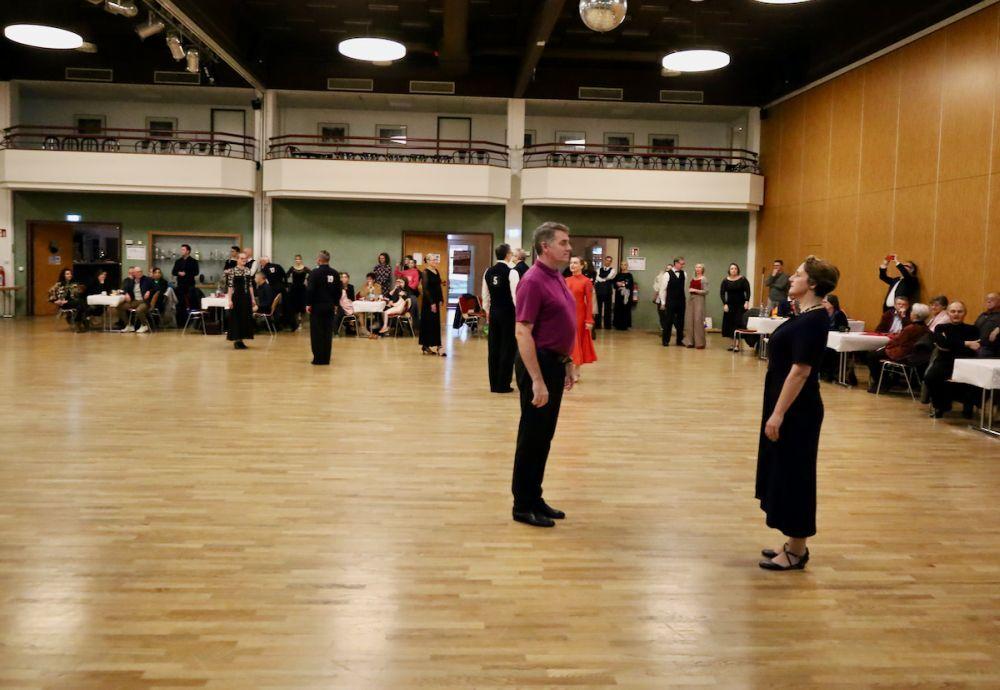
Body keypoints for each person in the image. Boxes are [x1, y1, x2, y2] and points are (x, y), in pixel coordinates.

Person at [756, 255, 840, 571]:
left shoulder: (815, 319)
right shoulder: (804, 314)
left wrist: (777, 414)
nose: (792, 277)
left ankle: (798, 550)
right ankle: (792, 542)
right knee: (785, 472)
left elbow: (801, 371)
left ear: (813, 284)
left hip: (798, 410)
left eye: (799, 274)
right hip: (787, 403)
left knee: (797, 476)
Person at [511, 221, 576, 528]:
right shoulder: (533, 280)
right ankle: (522, 504)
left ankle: (534, 496)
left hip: (553, 362)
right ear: (545, 247)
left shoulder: (556, 276)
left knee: (544, 437)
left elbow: (560, 324)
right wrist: (537, 379)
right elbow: (523, 330)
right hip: (537, 365)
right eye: (563, 242)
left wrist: (566, 361)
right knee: (532, 436)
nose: (569, 247)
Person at [924, 301, 981, 417]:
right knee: (930, 377)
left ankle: (968, 406)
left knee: (974, 379)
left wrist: (951, 344)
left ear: (965, 313)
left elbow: (951, 345)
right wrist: (966, 343)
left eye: (960, 311)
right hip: (945, 361)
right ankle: (941, 406)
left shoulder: (972, 329)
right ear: (948, 313)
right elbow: (942, 344)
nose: (956, 314)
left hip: (966, 362)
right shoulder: (941, 327)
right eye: (953, 311)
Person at [865, 302, 930, 393]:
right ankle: (887, 380)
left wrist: (887, 347)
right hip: (913, 354)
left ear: (915, 315)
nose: (910, 313)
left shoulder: (910, 328)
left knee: (871, 356)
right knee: (877, 354)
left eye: (911, 312)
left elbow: (897, 341)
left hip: (902, 354)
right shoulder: (926, 328)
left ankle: (882, 382)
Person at [483, 243, 520, 393]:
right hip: (508, 313)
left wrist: (488, 312)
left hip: (494, 312)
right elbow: (515, 297)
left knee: (494, 347)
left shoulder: (488, 271)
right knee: (508, 347)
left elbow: (485, 296)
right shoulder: (512, 272)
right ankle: (503, 384)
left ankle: (493, 384)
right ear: (508, 255)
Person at [305, 250, 342, 365]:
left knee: (317, 333)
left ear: (319, 260)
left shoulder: (314, 273)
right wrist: (335, 304)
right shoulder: (335, 273)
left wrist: (308, 304)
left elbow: (310, 290)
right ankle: (326, 358)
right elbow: (338, 291)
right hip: (330, 306)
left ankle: (318, 358)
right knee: (327, 332)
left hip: (317, 307)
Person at [565, 256, 597, 382]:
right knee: (568, 343)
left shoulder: (586, 281)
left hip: (580, 315)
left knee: (577, 341)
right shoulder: (566, 280)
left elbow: (589, 302)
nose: (572, 265)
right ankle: (569, 371)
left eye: (575, 263)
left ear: (582, 266)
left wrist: (589, 320)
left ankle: (576, 370)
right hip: (567, 315)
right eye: (571, 263)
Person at [224, 252, 256, 349]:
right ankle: (237, 340)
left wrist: (253, 298)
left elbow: (250, 285)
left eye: (245, 258)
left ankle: (241, 340)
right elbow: (230, 286)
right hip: (237, 297)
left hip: (246, 297)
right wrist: (229, 300)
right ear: (237, 259)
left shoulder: (247, 270)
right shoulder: (232, 271)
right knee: (237, 318)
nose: (244, 260)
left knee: (244, 318)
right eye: (242, 258)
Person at [819, 295, 853, 383]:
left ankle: (830, 374)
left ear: (832, 304)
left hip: (835, 341)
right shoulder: (822, 313)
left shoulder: (839, 314)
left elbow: (844, 327)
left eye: (825, 302)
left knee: (827, 351)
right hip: (825, 339)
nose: (823, 303)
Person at [419, 253, 446, 356]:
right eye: (433, 260)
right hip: (428, 302)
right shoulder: (425, 272)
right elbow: (425, 290)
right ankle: (428, 346)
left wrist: (441, 299)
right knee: (428, 323)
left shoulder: (436, 271)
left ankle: (436, 346)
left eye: (436, 259)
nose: (435, 261)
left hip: (435, 300)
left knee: (435, 324)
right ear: (428, 261)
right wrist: (432, 303)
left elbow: (438, 286)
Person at [115, 266, 155, 333]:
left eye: (139, 272)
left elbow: (156, 288)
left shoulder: (147, 279)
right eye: (135, 272)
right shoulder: (132, 281)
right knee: (119, 307)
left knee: (139, 310)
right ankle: (129, 325)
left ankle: (144, 325)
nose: (137, 274)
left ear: (141, 272)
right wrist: (126, 293)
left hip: (144, 301)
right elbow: (124, 288)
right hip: (134, 301)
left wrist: (149, 292)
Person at [657, 257, 686, 346]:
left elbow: (683, 287)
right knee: (668, 321)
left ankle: (679, 340)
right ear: (676, 263)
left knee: (681, 321)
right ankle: (665, 340)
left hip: (681, 301)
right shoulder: (667, 274)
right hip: (670, 301)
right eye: (681, 263)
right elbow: (663, 289)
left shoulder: (684, 273)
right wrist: (663, 302)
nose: (683, 265)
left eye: (683, 264)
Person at [721, 262, 751, 346]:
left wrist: (747, 301)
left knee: (737, 323)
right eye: (732, 268)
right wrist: (725, 304)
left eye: (735, 268)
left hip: (740, 305)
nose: (733, 270)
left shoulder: (743, 279)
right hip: (730, 305)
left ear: (737, 270)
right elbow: (722, 293)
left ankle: (737, 344)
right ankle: (731, 344)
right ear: (729, 270)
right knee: (730, 324)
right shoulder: (725, 281)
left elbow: (748, 291)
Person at [171, 243, 199, 327]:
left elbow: (196, 272)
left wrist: (186, 273)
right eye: (181, 249)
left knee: (190, 303)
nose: (181, 251)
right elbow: (173, 272)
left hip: (190, 285)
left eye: (183, 249)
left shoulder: (193, 261)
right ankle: (180, 323)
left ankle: (191, 323)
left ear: (188, 251)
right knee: (180, 304)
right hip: (180, 285)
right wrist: (179, 273)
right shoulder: (178, 261)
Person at [682, 263, 708, 349]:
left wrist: (695, 290)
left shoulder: (704, 279)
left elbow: (706, 291)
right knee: (689, 320)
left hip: (699, 300)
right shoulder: (693, 278)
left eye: (700, 267)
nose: (698, 268)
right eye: (696, 267)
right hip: (691, 300)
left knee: (698, 320)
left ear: (702, 269)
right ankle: (690, 341)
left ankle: (699, 343)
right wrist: (691, 290)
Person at [285, 254, 309, 331]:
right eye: (296, 259)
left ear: (301, 260)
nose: (297, 260)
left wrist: (307, 280)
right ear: (295, 260)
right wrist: (287, 286)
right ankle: (295, 323)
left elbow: (312, 275)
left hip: (302, 289)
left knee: (302, 306)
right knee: (294, 306)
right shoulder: (292, 268)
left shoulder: (305, 268)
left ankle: (301, 323)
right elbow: (286, 276)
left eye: (299, 259)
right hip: (294, 289)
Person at [972, 292, 1000, 358]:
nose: (989, 301)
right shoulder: (982, 315)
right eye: (987, 299)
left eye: (992, 299)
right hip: (976, 345)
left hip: (990, 349)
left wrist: (998, 329)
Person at [593, 255, 616, 330]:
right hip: (599, 290)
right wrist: (604, 280)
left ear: (611, 262)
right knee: (598, 308)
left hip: (608, 291)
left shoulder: (613, 270)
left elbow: (610, 276)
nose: (608, 262)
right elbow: (596, 277)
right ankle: (597, 325)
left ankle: (607, 325)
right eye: (607, 260)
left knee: (608, 308)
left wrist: (602, 279)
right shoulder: (599, 269)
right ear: (604, 261)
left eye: (609, 261)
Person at [612, 260, 635, 331]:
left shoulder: (629, 275)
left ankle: (625, 325)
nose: (623, 266)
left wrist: (623, 284)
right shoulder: (618, 275)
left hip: (626, 295)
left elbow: (630, 285)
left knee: (625, 309)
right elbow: (614, 283)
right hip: (618, 295)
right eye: (622, 264)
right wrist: (617, 284)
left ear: (627, 266)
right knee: (618, 308)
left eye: (624, 265)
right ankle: (617, 324)